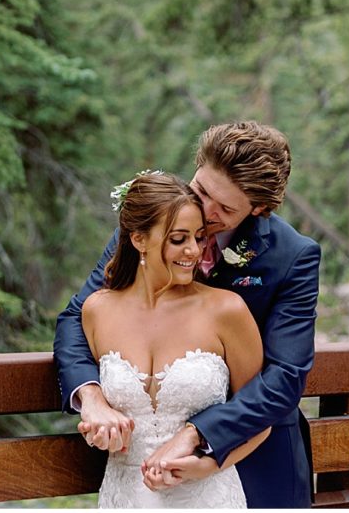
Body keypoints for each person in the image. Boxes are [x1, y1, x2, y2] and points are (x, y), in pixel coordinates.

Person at [54, 121, 321, 508]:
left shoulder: (292, 256)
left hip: (258, 455)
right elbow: (78, 317)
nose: (206, 212)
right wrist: (91, 397)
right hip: (144, 472)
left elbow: (285, 378)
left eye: (226, 208)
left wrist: (201, 435)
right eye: (201, 191)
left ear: (259, 209)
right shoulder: (150, 228)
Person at [78, 170, 269, 507]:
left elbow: (258, 419)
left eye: (198, 237)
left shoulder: (226, 310)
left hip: (207, 495)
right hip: (124, 496)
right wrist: (101, 428)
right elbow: (100, 405)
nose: (194, 251)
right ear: (138, 239)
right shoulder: (97, 311)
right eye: (178, 239)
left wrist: (207, 464)